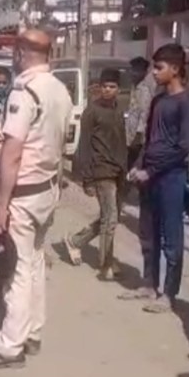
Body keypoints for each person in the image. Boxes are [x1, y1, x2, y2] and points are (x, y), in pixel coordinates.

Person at [0, 29, 73, 368]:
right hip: (46, 189)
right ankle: (32, 333)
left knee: (14, 267)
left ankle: (9, 347)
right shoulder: (60, 90)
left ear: (20, 54)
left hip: (22, 194)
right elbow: (60, 145)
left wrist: (1, 206)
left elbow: (12, 152)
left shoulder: (25, 92)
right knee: (34, 263)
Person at [124, 44, 189, 314]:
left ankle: (169, 294)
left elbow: (183, 148)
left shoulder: (186, 104)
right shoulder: (158, 100)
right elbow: (150, 139)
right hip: (149, 176)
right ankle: (149, 283)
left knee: (171, 238)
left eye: (159, 67)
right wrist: (139, 164)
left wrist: (152, 171)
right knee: (148, 233)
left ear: (175, 69)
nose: (154, 72)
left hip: (171, 178)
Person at [65, 67, 128, 280]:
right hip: (101, 170)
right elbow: (84, 146)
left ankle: (76, 241)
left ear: (118, 89)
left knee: (109, 217)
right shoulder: (91, 112)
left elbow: (121, 143)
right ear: (99, 88)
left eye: (112, 87)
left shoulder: (119, 110)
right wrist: (87, 179)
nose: (108, 90)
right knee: (109, 219)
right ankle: (106, 264)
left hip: (118, 170)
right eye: (105, 86)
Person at [124, 56, 155, 171]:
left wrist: (138, 136)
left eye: (136, 70)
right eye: (132, 70)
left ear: (144, 72)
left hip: (137, 139)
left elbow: (144, 114)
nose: (133, 73)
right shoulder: (134, 87)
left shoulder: (144, 91)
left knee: (134, 167)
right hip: (130, 135)